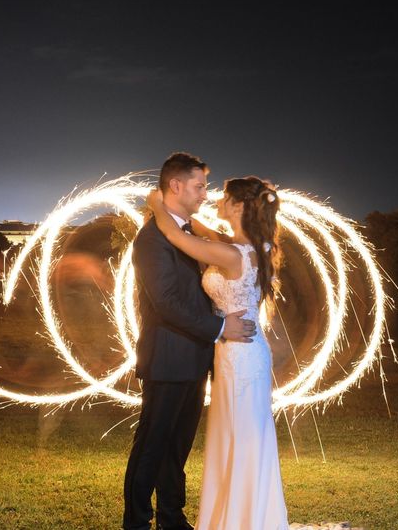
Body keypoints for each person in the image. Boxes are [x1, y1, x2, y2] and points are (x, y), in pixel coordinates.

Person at [146, 173, 289, 530]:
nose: (217, 201)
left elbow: (175, 235)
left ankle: (242, 521)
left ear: (239, 206)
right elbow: (202, 230)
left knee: (240, 434)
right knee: (238, 434)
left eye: (225, 198)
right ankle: (243, 515)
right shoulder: (251, 247)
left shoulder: (229, 253)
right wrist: (182, 209)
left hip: (239, 357)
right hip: (242, 352)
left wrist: (157, 205)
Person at [123, 152, 258, 530]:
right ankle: (135, 522)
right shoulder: (152, 239)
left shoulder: (187, 235)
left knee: (177, 448)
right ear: (176, 185)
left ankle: (172, 517)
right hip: (167, 358)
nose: (204, 193)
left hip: (196, 358)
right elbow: (166, 302)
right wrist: (218, 330)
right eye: (199, 186)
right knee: (151, 445)